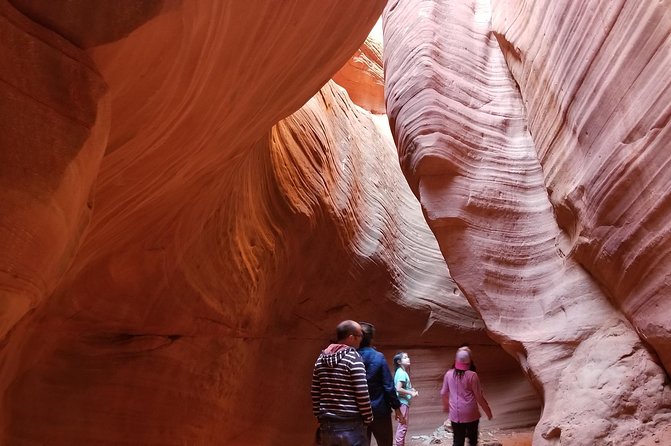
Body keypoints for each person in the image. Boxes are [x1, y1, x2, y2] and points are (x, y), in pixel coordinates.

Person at [312, 320, 373, 446]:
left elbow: (315, 392)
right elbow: (361, 393)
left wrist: (320, 416)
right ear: (351, 337)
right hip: (351, 426)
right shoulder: (353, 358)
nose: (361, 340)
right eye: (360, 336)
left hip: (327, 426)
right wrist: (368, 418)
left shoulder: (320, 359)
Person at [357, 322, 405, 446]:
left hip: (358, 412)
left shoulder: (351, 356)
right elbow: (388, 386)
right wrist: (397, 408)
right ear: (371, 339)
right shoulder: (378, 357)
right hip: (379, 410)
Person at [440, 348, 493, 446]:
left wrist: (446, 407)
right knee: (472, 441)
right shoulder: (472, 376)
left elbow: (443, 393)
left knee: (457, 441)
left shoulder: (448, 374)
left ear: (456, 361)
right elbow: (479, 396)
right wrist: (488, 411)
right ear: (469, 362)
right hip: (471, 414)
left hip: (455, 414)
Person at [392, 352, 418, 446]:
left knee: (402, 426)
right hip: (402, 403)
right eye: (405, 357)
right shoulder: (402, 373)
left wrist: (411, 389)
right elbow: (398, 389)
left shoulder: (400, 372)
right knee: (403, 426)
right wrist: (411, 393)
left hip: (402, 402)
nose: (408, 358)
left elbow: (402, 387)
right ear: (399, 361)